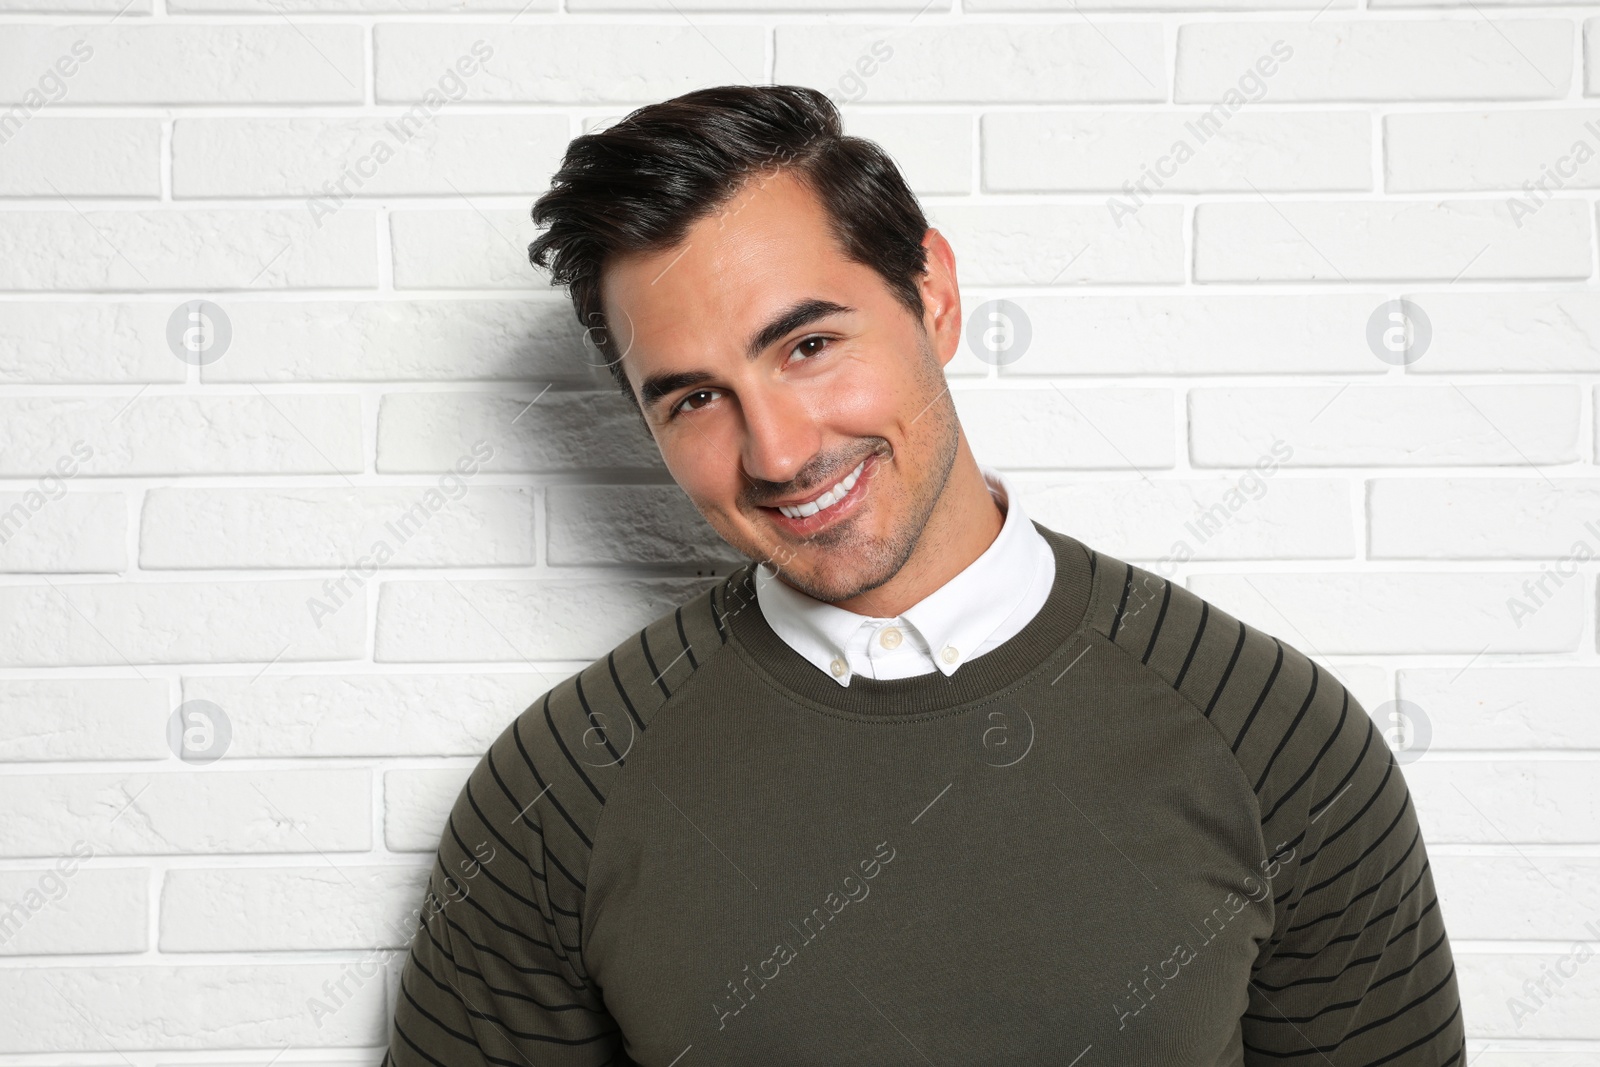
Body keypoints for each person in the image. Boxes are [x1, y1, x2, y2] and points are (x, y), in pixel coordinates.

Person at [381, 84, 1465, 1066]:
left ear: (933, 295)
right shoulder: (559, 789)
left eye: (807, 346)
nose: (778, 451)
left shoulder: (1273, 734)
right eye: (695, 399)